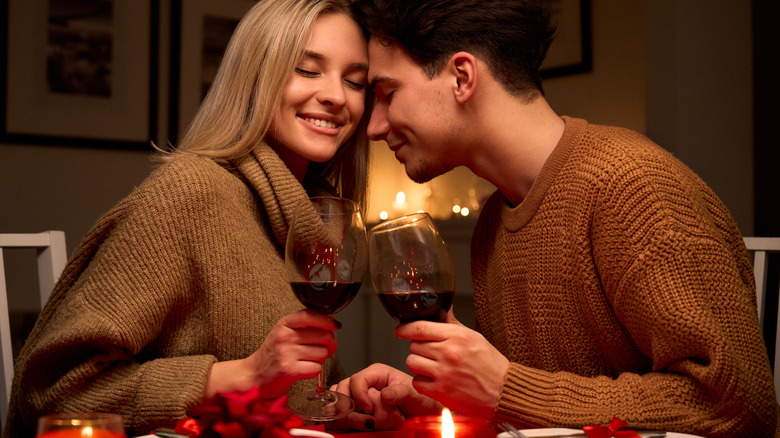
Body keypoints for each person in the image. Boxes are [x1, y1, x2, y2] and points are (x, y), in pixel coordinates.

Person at [334, 0, 779, 436]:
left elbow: (739, 406)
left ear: (462, 77)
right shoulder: (493, 221)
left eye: (388, 94)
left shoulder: (631, 186)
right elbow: (539, 407)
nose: (373, 127)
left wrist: (506, 390)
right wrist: (441, 402)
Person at [5, 0, 371, 436]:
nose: (337, 96)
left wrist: (347, 404)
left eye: (355, 81)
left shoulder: (313, 215)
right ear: (254, 77)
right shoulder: (191, 192)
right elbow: (51, 389)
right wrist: (242, 375)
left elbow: (279, 401)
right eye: (307, 70)